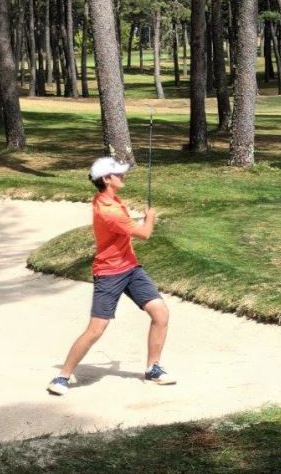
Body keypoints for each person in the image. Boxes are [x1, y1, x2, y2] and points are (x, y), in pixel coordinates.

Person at [47, 157, 175, 395]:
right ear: (106, 179)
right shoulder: (109, 211)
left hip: (131, 268)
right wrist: (150, 218)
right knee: (96, 328)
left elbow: (124, 226)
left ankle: (153, 368)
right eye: (118, 174)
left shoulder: (107, 199)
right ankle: (62, 377)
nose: (123, 176)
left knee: (160, 312)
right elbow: (145, 234)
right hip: (109, 273)